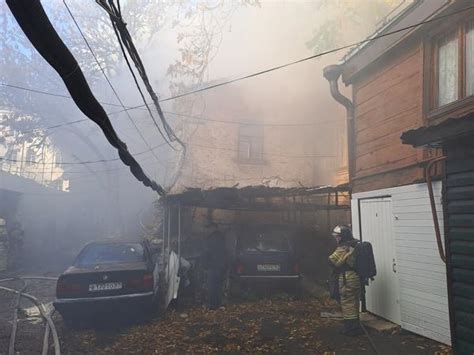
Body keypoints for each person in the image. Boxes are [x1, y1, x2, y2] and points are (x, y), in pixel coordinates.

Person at [328, 225, 363, 336]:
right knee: (353, 302)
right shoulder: (354, 245)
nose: (336, 239)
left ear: (343, 236)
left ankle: (351, 329)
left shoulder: (344, 247)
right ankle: (355, 326)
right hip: (355, 277)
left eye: (338, 236)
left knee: (347, 303)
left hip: (347, 278)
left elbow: (332, 262)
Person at [204, 224, 228, 310]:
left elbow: (207, 253)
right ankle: (218, 304)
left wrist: (205, 265)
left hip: (213, 266)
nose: (208, 230)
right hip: (221, 266)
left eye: (209, 228)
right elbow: (225, 252)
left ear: (213, 228)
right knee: (218, 286)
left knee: (212, 286)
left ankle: (212, 305)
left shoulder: (210, 239)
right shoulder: (222, 238)